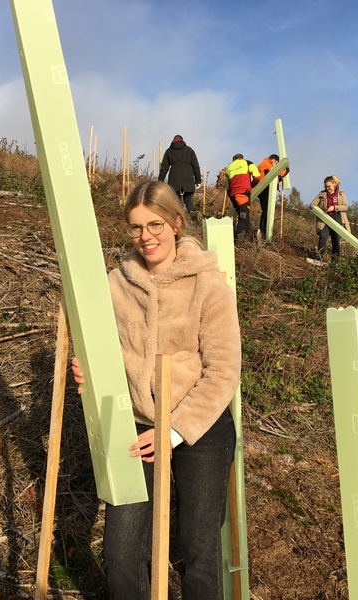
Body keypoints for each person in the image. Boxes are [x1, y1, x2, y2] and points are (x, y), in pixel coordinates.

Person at [70, 180, 241, 599]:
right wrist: (86, 370)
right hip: (136, 424)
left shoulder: (208, 283)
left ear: (177, 223)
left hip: (199, 425)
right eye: (135, 227)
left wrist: (174, 430)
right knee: (122, 552)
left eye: (156, 224)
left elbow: (224, 371)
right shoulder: (115, 284)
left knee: (198, 548)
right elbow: (100, 348)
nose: (146, 237)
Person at [158, 134, 202, 223]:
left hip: (174, 180)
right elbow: (196, 166)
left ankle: (178, 221)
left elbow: (164, 168)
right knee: (188, 199)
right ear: (182, 140)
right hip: (188, 178)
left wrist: (160, 181)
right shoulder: (189, 150)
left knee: (176, 200)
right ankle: (192, 214)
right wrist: (198, 180)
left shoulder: (169, 151)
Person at [310, 175, 350, 260]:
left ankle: (334, 262)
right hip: (325, 219)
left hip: (338, 217)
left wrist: (335, 207)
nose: (327, 188)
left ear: (334, 184)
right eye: (326, 186)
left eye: (329, 186)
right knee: (323, 236)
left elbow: (346, 207)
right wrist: (320, 212)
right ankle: (320, 258)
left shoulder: (341, 194)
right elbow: (312, 205)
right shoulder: (322, 194)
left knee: (336, 240)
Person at [224, 153, 260, 245]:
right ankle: (239, 242)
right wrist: (251, 185)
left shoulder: (229, 168)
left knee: (244, 215)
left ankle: (245, 238)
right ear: (242, 158)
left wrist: (232, 194)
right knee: (243, 216)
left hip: (233, 195)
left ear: (233, 160)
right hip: (243, 194)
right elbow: (257, 176)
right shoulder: (247, 163)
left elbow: (227, 187)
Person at [255, 153, 290, 238]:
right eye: (277, 162)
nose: (277, 164)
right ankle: (263, 232)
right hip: (265, 189)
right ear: (273, 160)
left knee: (267, 210)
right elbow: (281, 172)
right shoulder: (267, 163)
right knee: (267, 211)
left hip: (264, 188)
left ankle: (264, 232)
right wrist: (286, 169)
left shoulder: (266, 164)